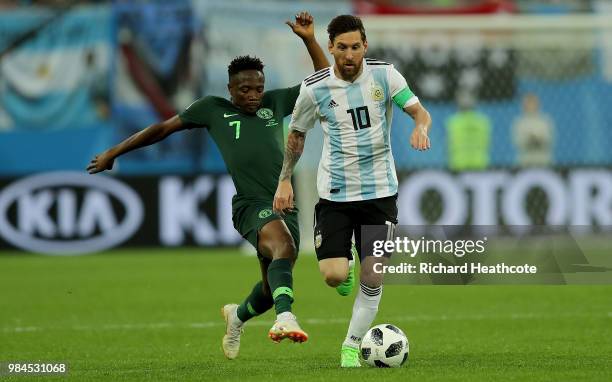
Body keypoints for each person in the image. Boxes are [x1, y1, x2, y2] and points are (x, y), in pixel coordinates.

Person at [87, 12, 329, 359]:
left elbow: (322, 81)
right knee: (285, 247)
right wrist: (114, 151)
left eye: (258, 88)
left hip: (284, 203)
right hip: (250, 204)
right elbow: (161, 129)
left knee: (268, 285)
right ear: (230, 88)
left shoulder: (275, 103)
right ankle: (286, 318)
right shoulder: (211, 109)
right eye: (245, 89)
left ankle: (236, 317)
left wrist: (308, 39)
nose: (253, 95)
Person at [273, 15, 432, 367]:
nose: (349, 54)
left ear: (365, 46)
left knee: (373, 272)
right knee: (332, 275)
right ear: (330, 47)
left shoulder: (385, 75)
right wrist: (285, 179)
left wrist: (420, 127)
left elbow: (419, 111)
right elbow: (297, 135)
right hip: (335, 194)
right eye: (341, 47)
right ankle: (341, 261)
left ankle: (351, 344)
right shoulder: (315, 89)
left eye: (355, 47)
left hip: (381, 193)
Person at [446, 91, 491, 171]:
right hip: (480, 164)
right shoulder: (483, 121)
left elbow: (449, 144)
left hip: (458, 164)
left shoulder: (453, 122)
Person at [512, 93, 554, 167]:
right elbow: (518, 142)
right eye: (528, 103)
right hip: (525, 161)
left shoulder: (545, 121)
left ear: (538, 104)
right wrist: (531, 139)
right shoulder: (519, 122)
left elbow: (549, 139)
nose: (530, 106)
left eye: (532, 103)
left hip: (543, 160)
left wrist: (536, 139)